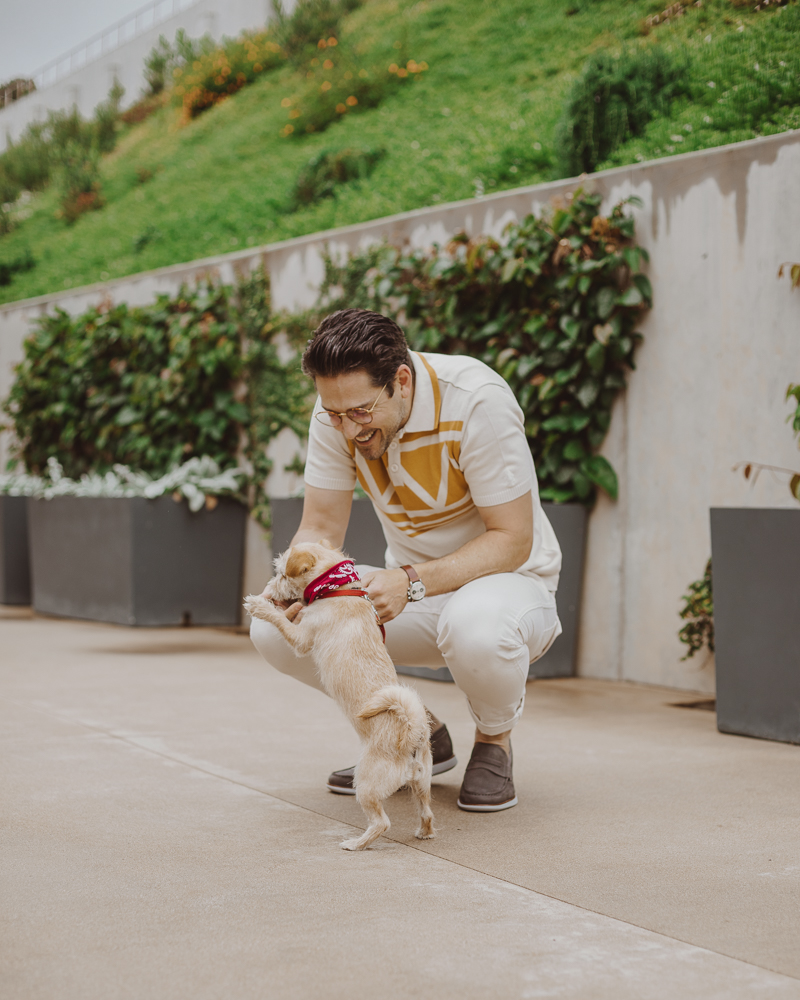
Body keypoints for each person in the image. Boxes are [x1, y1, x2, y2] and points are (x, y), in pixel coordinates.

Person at [250, 308, 562, 812]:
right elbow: (321, 531)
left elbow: (513, 539)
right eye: (334, 414)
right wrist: (291, 588)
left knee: (475, 626)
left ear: (401, 380)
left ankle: (494, 741)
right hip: (408, 593)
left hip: (510, 591)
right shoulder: (337, 412)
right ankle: (414, 734)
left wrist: (411, 581)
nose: (348, 429)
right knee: (274, 630)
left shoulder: (476, 400)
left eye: (360, 413)